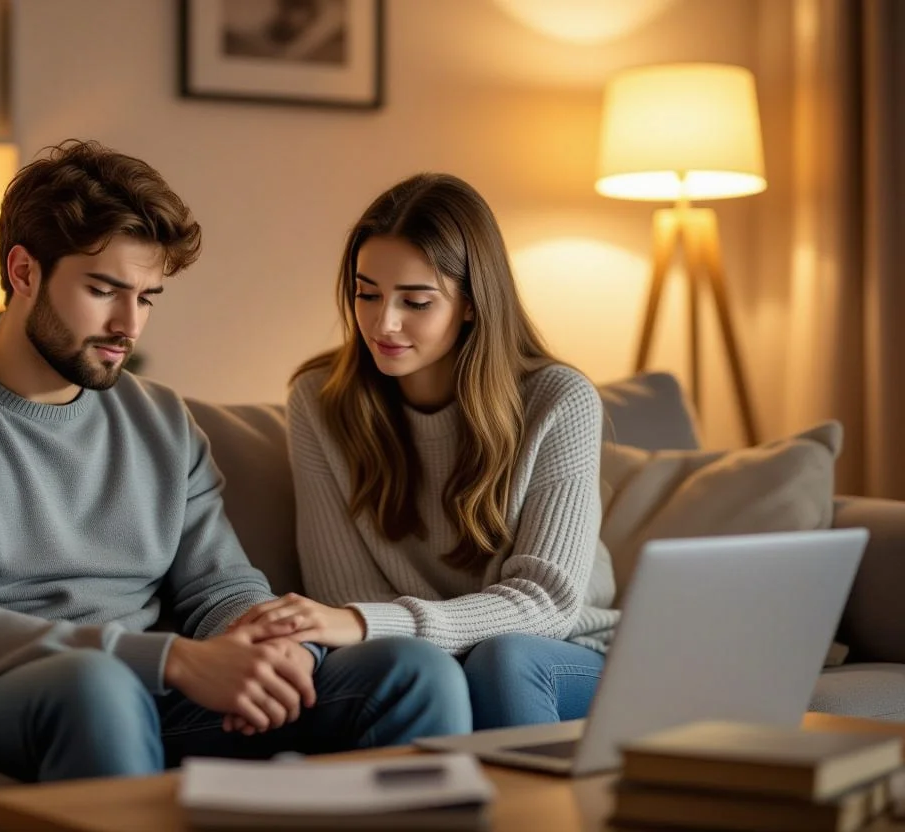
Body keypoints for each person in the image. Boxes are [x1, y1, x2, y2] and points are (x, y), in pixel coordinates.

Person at [0, 142, 471, 783]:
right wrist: (174, 661)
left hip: (156, 696)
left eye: (147, 297)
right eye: (103, 290)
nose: (127, 325)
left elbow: (219, 587)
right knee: (96, 685)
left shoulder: (161, 420)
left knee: (413, 671)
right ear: (23, 272)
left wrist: (284, 649)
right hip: (10, 698)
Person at [229, 172, 619, 731]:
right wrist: (376, 627)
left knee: (503, 659)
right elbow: (345, 592)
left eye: (415, 301)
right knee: (426, 670)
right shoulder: (319, 401)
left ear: (470, 304)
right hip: (428, 659)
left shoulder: (559, 399)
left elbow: (547, 603)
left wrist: (368, 623)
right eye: (367, 294)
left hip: (568, 648)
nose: (383, 323)